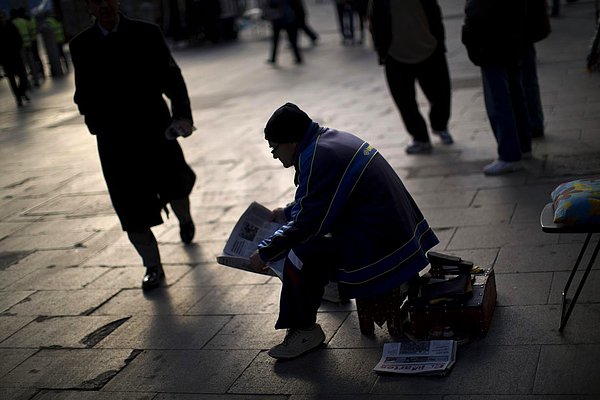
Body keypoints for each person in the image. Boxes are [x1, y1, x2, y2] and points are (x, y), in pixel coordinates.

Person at [249, 103, 439, 359]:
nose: (273, 154)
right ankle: (320, 288)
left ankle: (304, 330)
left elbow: (308, 224)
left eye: (274, 147)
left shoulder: (318, 157)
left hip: (384, 248)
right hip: (396, 235)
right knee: (306, 240)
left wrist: (265, 251)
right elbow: (321, 198)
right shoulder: (326, 141)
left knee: (298, 254)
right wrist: (284, 212)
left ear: (291, 141)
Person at [70, 0, 197, 290]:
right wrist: (94, 122)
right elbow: (83, 93)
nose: (104, 6)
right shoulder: (81, 44)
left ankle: (185, 219)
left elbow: (172, 78)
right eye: (96, 1)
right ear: (88, 7)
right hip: (114, 139)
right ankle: (153, 266)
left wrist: (182, 116)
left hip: (155, 129)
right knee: (129, 205)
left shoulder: (146, 33)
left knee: (175, 184)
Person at [369, 0, 453, 155]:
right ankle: (420, 137)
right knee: (405, 102)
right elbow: (375, 18)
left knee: (440, 95)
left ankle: (440, 125)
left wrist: (439, 41)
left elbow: (434, 12)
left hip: (428, 48)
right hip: (395, 55)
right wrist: (382, 50)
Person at [462, 0, 531, 175]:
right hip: (510, 36)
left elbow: (477, 10)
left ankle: (510, 155)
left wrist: (470, 34)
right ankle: (523, 146)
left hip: (490, 41)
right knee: (515, 94)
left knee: (499, 99)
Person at [523, 0, 552, 139]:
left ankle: (533, 123)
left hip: (519, 27)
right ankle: (535, 123)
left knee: (526, 80)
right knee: (529, 80)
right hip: (524, 28)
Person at [0, 10, 30, 107]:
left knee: (23, 76)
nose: (2, 18)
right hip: (5, 58)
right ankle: (18, 97)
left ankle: (22, 92)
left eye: (2, 16)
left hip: (15, 55)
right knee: (12, 80)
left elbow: (18, 37)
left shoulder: (11, 25)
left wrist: (18, 47)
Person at [262, 0, 302, 64]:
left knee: (277, 40)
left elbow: (272, 4)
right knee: (290, 40)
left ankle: (273, 58)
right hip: (286, 19)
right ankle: (298, 57)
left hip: (283, 20)